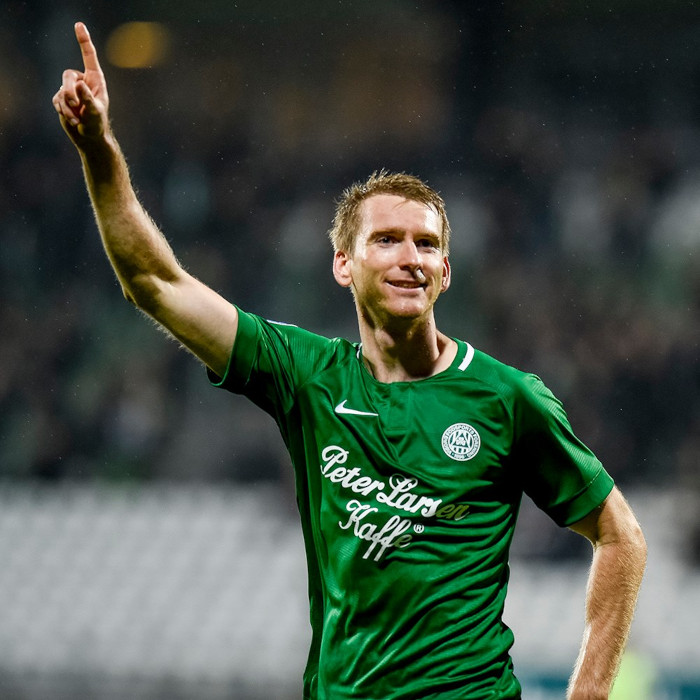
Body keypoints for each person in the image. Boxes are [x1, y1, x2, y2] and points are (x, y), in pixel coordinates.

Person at [53, 22, 647, 700]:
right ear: (343, 264)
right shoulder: (307, 375)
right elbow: (155, 283)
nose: (410, 257)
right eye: (387, 239)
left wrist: (589, 694)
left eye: (427, 244)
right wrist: (99, 150)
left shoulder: (508, 398)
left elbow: (621, 537)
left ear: (446, 272)